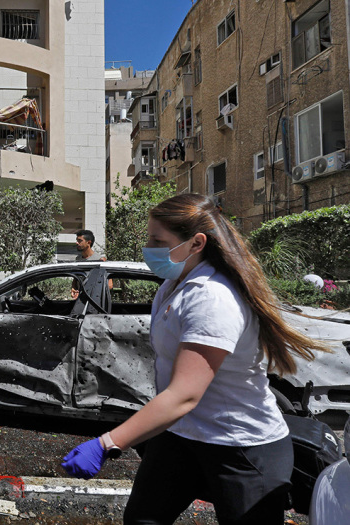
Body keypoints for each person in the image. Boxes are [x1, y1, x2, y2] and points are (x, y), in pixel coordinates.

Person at [61, 194, 329, 524]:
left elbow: (184, 395)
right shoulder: (174, 283)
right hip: (181, 436)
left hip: (240, 446)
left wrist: (107, 444)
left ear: (197, 243)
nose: (148, 247)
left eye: (157, 240)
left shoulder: (212, 298)